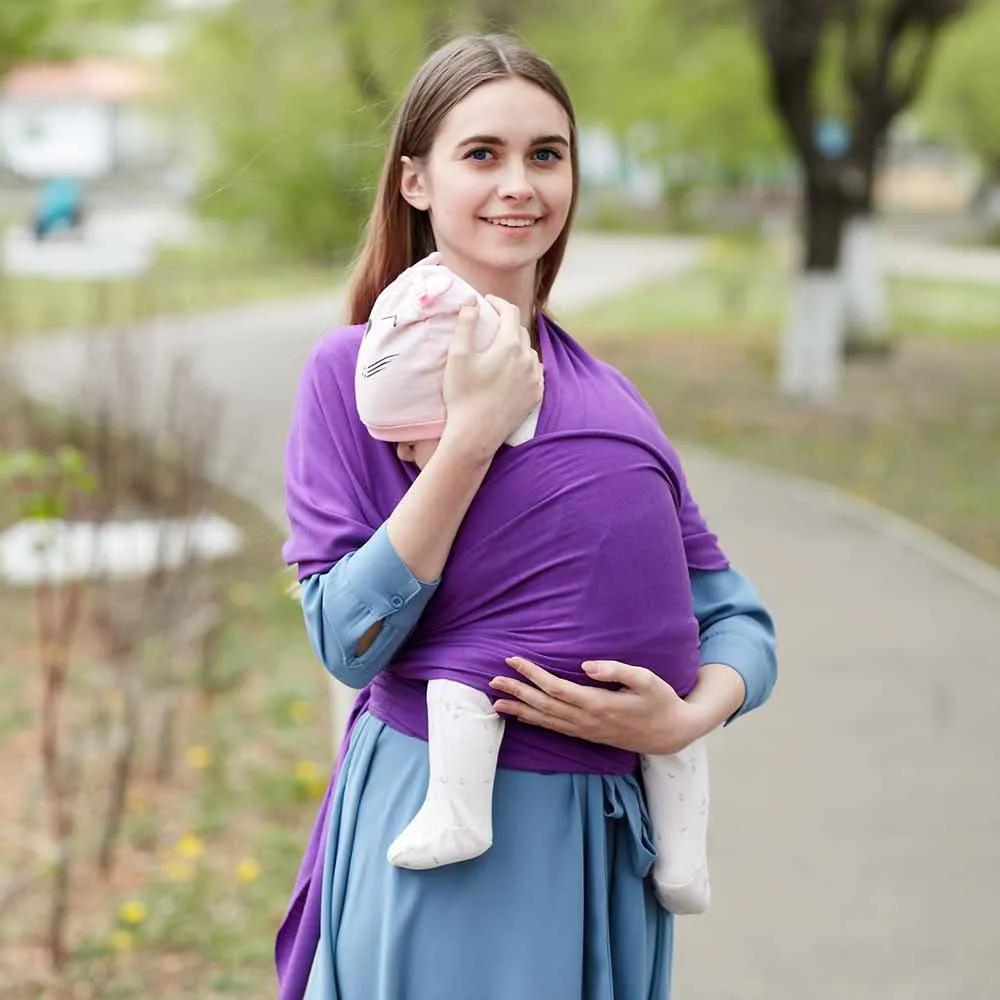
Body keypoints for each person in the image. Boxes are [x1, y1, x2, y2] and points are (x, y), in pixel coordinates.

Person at [279, 33, 777, 1000]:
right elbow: (346, 637)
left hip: (610, 853)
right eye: (483, 154)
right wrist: (470, 438)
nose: (521, 183)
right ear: (415, 182)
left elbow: (736, 618)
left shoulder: (613, 398)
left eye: (546, 154)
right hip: (451, 847)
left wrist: (685, 719)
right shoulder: (353, 379)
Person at [353, 250, 712, 917]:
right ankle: (686, 859)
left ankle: (459, 812)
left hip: (546, 658)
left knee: (460, 677)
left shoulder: (496, 436)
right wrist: (691, 713)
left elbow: (357, 639)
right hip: (669, 658)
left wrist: (458, 447)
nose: (402, 455)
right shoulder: (602, 412)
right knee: (675, 745)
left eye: (411, 439)